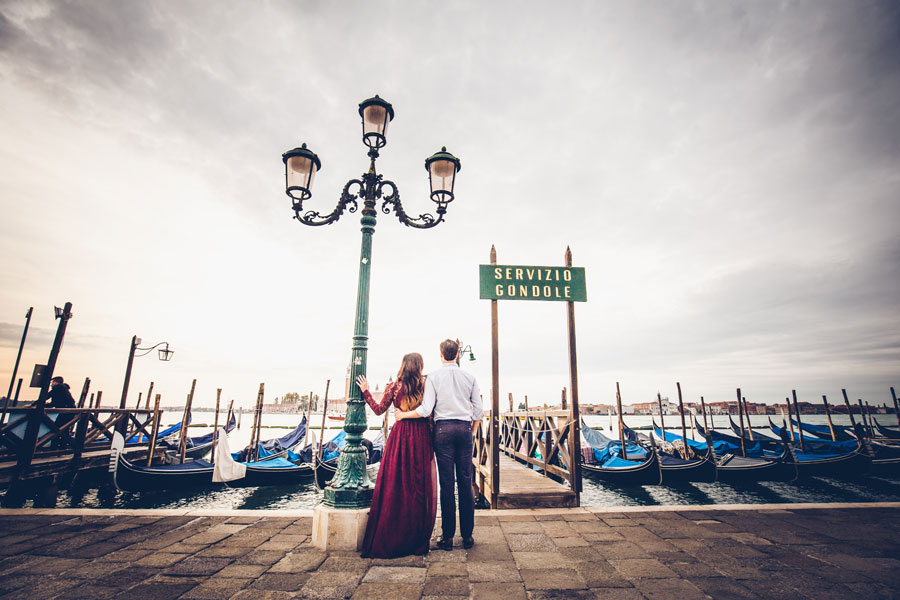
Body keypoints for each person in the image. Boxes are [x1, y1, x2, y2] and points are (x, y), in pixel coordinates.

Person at [396, 339, 483, 551]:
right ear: (457, 355)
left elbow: (426, 410)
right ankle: (468, 536)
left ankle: (448, 537)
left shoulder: (433, 378)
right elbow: (478, 411)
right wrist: (470, 431)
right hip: (463, 429)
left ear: (442, 355)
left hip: (443, 430)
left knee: (447, 483)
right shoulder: (469, 377)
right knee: (465, 481)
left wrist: (402, 415)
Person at [356, 352, 437, 558]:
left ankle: (394, 532)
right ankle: (417, 538)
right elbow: (430, 414)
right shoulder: (425, 385)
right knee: (418, 486)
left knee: (396, 483)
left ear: (403, 365)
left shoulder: (394, 387)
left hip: (400, 438)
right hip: (420, 438)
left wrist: (366, 392)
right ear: (419, 366)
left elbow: (378, 409)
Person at [48, 376, 76, 449]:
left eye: (52, 382)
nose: (51, 384)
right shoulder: (62, 389)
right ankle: (62, 447)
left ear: (55, 382)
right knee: (64, 429)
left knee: (56, 428)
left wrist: (33, 405)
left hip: (67, 411)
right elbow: (53, 403)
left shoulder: (58, 388)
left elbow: (46, 396)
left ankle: (54, 448)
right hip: (69, 411)